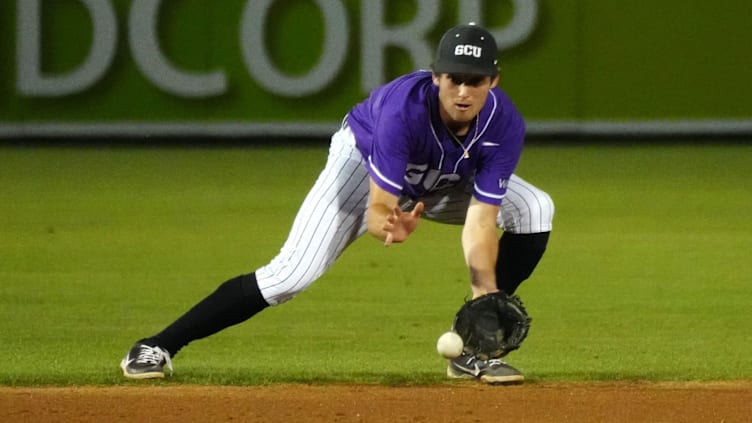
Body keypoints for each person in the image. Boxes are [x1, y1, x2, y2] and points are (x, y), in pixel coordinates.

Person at [120, 23, 554, 385]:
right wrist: (387, 223)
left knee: (534, 207)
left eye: (474, 80)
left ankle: (474, 348)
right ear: (436, 75)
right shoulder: (402, 111)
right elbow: (379, 206)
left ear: (493, 81)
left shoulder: (504, 122)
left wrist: (485, 296)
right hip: (362, 164)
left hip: (443, 179)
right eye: (453, 78)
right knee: (290, 275)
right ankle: (156, 345)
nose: (462, 90)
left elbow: (481, 220)